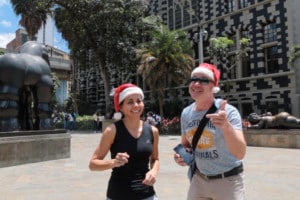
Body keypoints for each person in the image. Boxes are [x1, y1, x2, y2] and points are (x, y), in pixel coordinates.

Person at [173, 63, 246, 200]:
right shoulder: (186, 113)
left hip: (227, 181)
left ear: (214, 87)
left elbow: (240, 153)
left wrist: (226, 127)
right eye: (193, 79)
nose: (196, 84)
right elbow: (186, 145)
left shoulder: (228, 111)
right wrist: (181, 156)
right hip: (199, 179)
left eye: (203, 80)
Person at [89, 83, 160, 200]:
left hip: (147, 194)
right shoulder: (112, 130)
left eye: (139, 101)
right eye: (130, 102)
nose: (136, 105)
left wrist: (154, 171)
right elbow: (93, 164)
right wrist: (114, 162)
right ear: (121, 107)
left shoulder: (153, 131)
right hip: (118, 194)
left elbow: (155, 159)